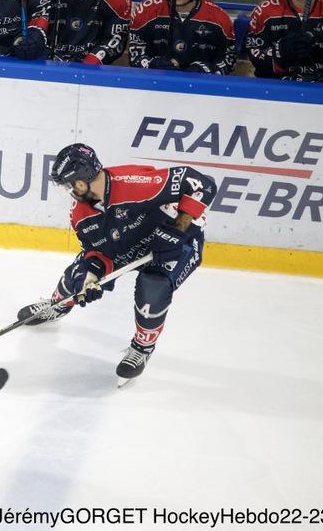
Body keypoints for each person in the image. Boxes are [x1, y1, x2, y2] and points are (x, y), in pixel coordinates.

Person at [17, 143, 217, 385]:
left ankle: (143, 347)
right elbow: (96, 253)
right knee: (77, 277)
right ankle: (58, 305)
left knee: (153, 288)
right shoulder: (80, 214)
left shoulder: (136, 183)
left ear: (81, 182)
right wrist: (92, 276)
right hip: (127, 245)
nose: (69, 192)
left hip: (173, 244)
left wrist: (178, 229)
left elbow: (203, 184)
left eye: (69, 185)